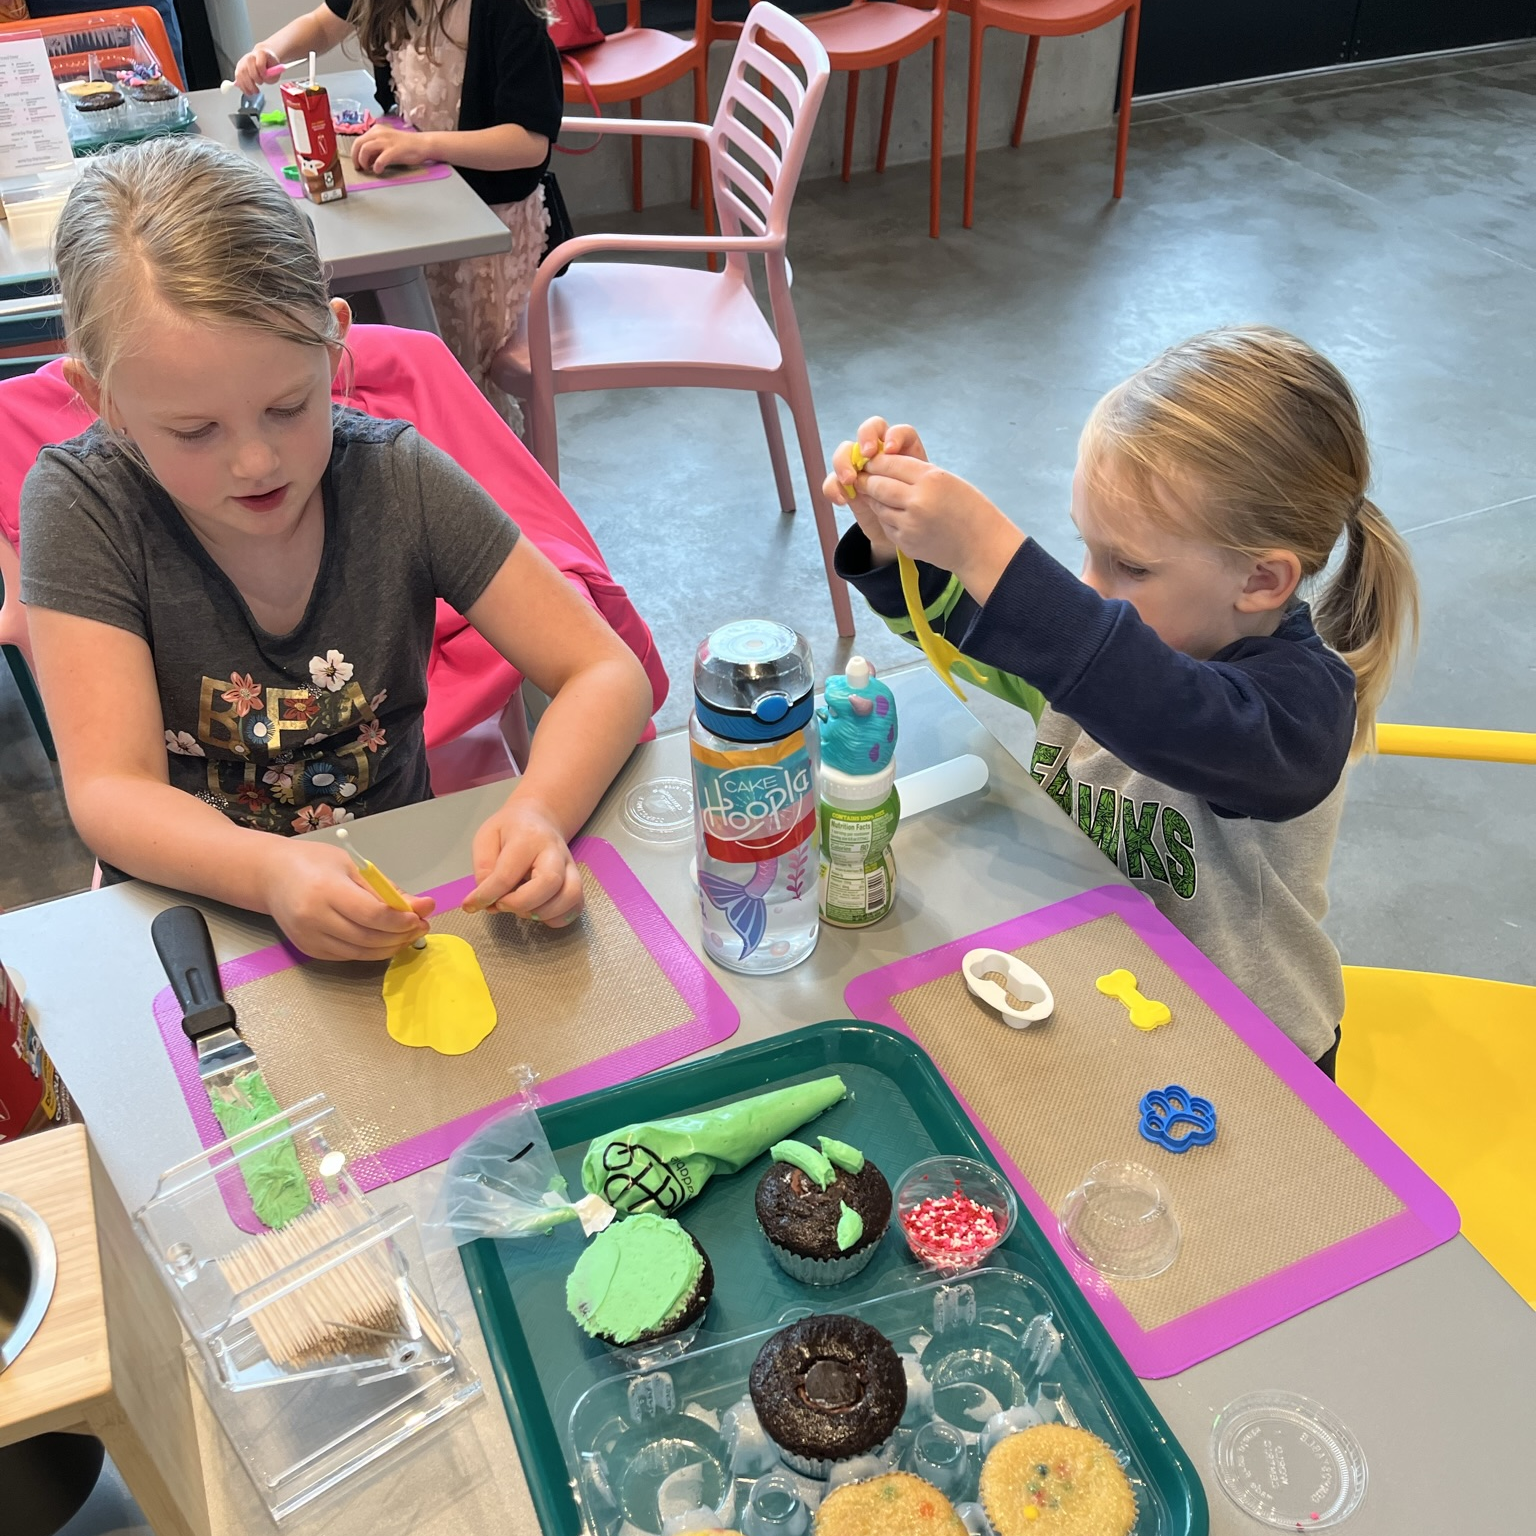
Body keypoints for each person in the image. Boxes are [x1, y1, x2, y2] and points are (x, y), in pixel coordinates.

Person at [19, 136, 652, 962]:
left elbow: (606, 673)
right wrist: (271, 871)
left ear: (333, 346)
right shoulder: (83, 507)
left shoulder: (397, 479)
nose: (255, 460)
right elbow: (110, 790)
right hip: (190, 907)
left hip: (400, 880)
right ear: (101, 401)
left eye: (288, 407)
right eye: (195, 430)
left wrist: (537, 811)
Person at [827, 326, 1420, 1078]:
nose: (1092, 589)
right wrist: (897, 549)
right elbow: (977, 628)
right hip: (1110, 999)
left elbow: (1170, 712)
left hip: (1254, 1059)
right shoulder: (1096, 649)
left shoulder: (1299, 709)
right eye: (1086, 549)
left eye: (1129, 565)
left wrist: (988, 549)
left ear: (1263, 582)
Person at [235, 0, 563, 429]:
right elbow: (320, 24)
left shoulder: (505, 11)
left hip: (490, 224)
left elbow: (529, 142)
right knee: (409, 337)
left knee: (462, 370)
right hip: (428, 201)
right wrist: (271, 51)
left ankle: (482, 466)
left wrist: (426, 145)